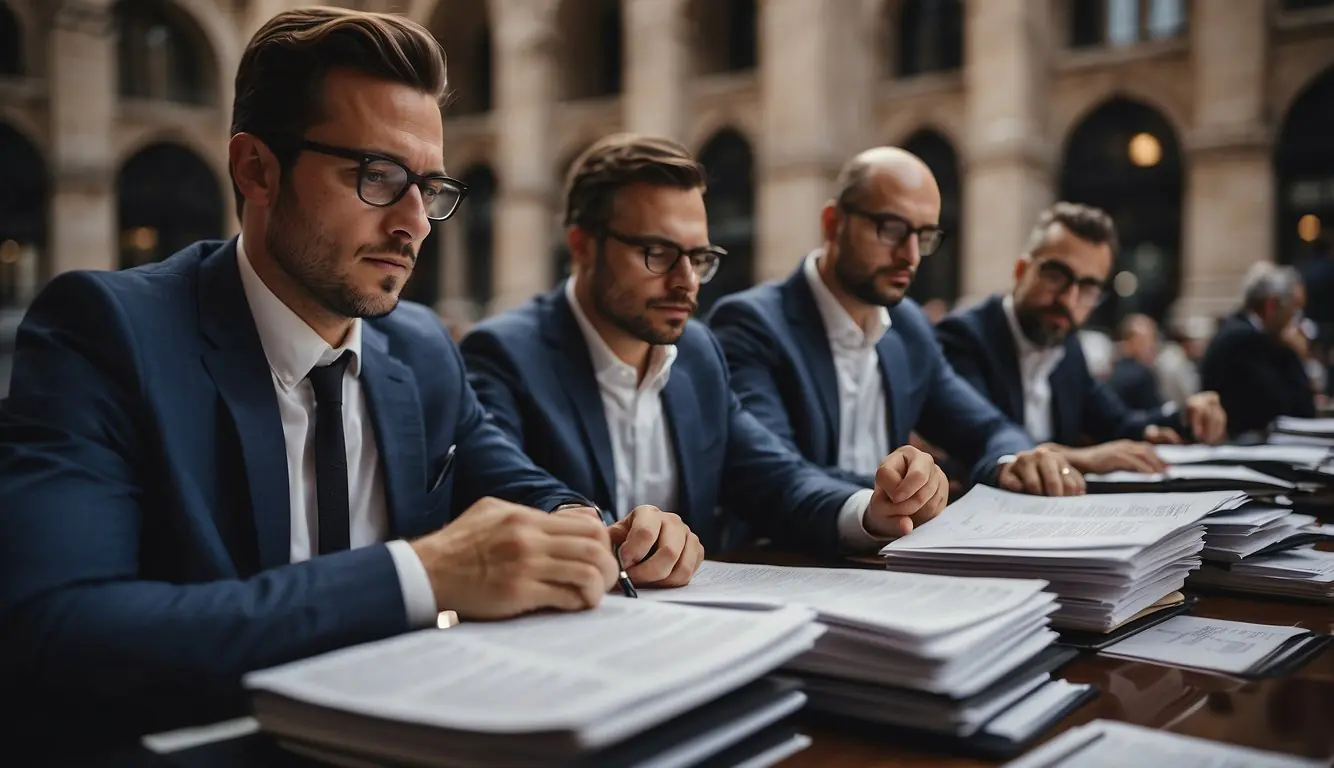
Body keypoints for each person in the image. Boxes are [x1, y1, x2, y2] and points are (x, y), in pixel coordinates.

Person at [0, 8, 690, 753]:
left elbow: (521, 485)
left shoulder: (421, 347)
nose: (416, 224)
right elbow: (59, 630)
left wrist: (592, 526)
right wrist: (418, 575)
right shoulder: (104, 333)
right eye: (378, 176)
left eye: (429, 186)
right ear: (256, 169)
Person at [461, 133, 949, 562]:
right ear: (583, 246)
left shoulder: (696, 351)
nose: (686, 282)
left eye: (699, 257)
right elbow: (507, 491)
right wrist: (604, 534)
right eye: (658, 254)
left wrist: (870, 510)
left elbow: (775, 477)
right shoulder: (507, 355)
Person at [707, 147, 1081, 498]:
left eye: (924, 235)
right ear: (833, 223)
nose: (911, 256)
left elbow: (988, 428)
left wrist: (1012, 462)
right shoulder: (752, 323)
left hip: (892, 547)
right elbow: (776, 474)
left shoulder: (908, 327)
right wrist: (912, 492)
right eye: (892, 229)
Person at [934, 203, 1228, 476]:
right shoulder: (965, 336)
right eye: (1056, 276)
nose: (1069, 299)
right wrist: (1082, 458)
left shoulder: (1067, 345)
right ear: (1021, 271)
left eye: (1088, 288)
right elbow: (980, 445)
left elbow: (1118, 423)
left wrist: (1185, 417)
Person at [1200, 263, 1316, 436]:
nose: (1296, 319)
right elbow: (1290, 409)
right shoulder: (1245, 340)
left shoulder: (1237, 329)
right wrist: (1294, 354)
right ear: (1271, 305)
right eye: (1294, 308)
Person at [1107, 313, 1164, 411]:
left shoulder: (1112, 369)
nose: (1152, 346)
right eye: (1146, 340)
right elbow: (1154, 411)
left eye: (1153, 339)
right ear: (1129, 341)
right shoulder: (1141, 375)